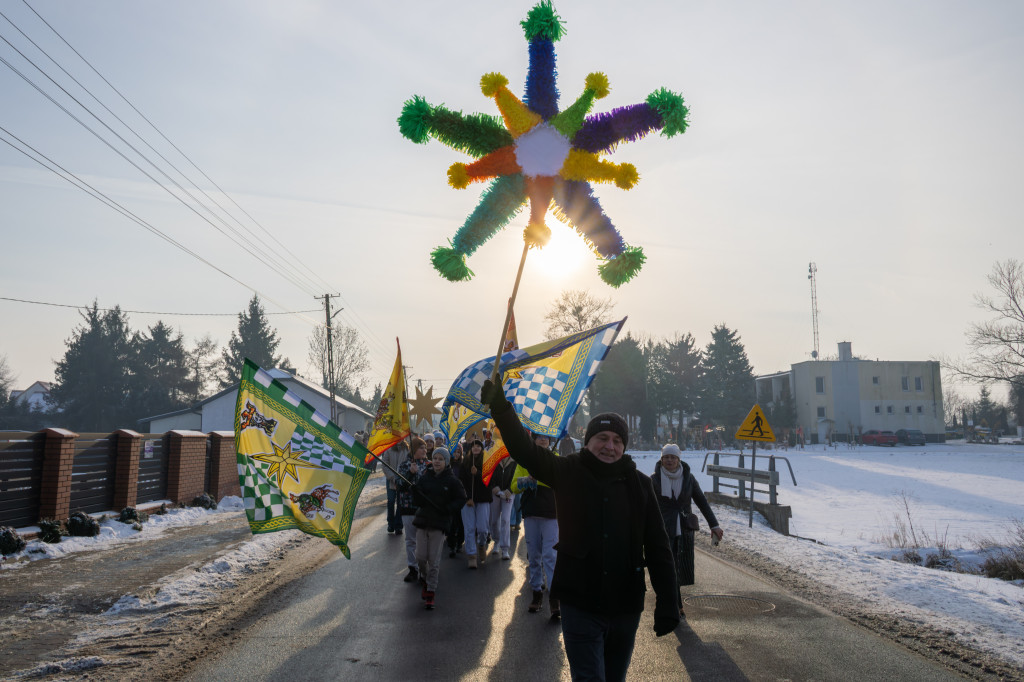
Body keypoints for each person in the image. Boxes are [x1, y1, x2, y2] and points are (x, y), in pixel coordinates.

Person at [482, 380, 679, 682]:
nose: (610, 446)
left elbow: (658, 546)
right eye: (602, 438)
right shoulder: (568, 470)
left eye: (617, 440)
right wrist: (501, 409)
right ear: (588, 441)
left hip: (625, 607)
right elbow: (526, 451)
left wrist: (668, 601)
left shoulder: (640, 484)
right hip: (579, 603)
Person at [649, 444, 723, 617]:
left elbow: (702, 502)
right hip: (662, 529)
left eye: (673, 457)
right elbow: (645, 505)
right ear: (661, 459)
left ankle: (673, 601)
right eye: (666, 457)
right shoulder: (654, 479)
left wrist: (714, 525)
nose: (669, 460)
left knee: (679, 566)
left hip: (684, 529)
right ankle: (673, 603)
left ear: (678, 459)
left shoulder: (689, 479)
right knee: (667, 566)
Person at [411, 447, 467, 610]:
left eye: (440, 459)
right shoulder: (425, 477)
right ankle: (424, 578)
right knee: (420, 557)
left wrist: (448, 509)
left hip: (439, 523)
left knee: (433, 560)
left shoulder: (452, 481)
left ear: (446, 462)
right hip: (423, 521)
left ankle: (431, 591)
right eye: (435, 458)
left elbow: (461, 499)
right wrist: (414, 490)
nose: (436, 461)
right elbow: (418, 501)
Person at [513, 432, 559, 618]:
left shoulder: (555, 458)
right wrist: (527, 480)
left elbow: (559, 482)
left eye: (546, 437)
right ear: (534, 439)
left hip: (551, 514)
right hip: (531, 512)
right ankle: (537, 593)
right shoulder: (524, 460)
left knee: (550, 555)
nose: (543, 439)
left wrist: (540, 478)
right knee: (533, 555)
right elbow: (514, 486)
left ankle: (554, 597)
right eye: (539, 436)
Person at [395, 437, 428, 583]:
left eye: (425, 447)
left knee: (424, 540)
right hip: (408, 508)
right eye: (421, 447)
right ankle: (413, 568)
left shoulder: (429, 465)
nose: (425, 450)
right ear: (414, 449)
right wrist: (410, 473)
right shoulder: (404, 465)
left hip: (424, 509)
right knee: (410, 540)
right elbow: (400, 485)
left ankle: (424, 569)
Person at [458, 439, 492, 569]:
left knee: (483, 529)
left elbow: (490, 481)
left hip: (483, 499)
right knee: (469, 528)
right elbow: (460, 482)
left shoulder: (487, 462)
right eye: (473, 446)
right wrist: (467, 497)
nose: (476, 448)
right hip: (468, 501)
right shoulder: (465, 463)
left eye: (478, 446)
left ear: (482, 448)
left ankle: (481, 545)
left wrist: (477, 473)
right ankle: (471, 555)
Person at [489, 454, 516, 560]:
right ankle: (496, 541)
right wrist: (493, 487)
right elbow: (489, 474)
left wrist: (510, 489)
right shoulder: (494, 458)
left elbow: (516, 477)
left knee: (505, 519)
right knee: (494, 520)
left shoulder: (514, 461)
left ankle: (505, 549)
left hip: (508, 494)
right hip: (495, 493)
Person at [446, 442, 467, 557]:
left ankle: (459, 543)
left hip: (460, 497)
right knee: (451, 523)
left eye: (459, 452)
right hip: (450, 497)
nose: (456, 454)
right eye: (454, 452)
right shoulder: (447, 465)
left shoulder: (462, 465)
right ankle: (451, 545)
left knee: (461, 522)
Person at [382, 441, 407, 535]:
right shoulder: (389, 449)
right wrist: (392, 477)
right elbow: (385, 464)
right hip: (391, 480)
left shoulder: (407, 449)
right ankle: (390, 524)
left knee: (400, 503)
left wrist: (402, 477)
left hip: (402, 480)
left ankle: (399, 525)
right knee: (391, 501)